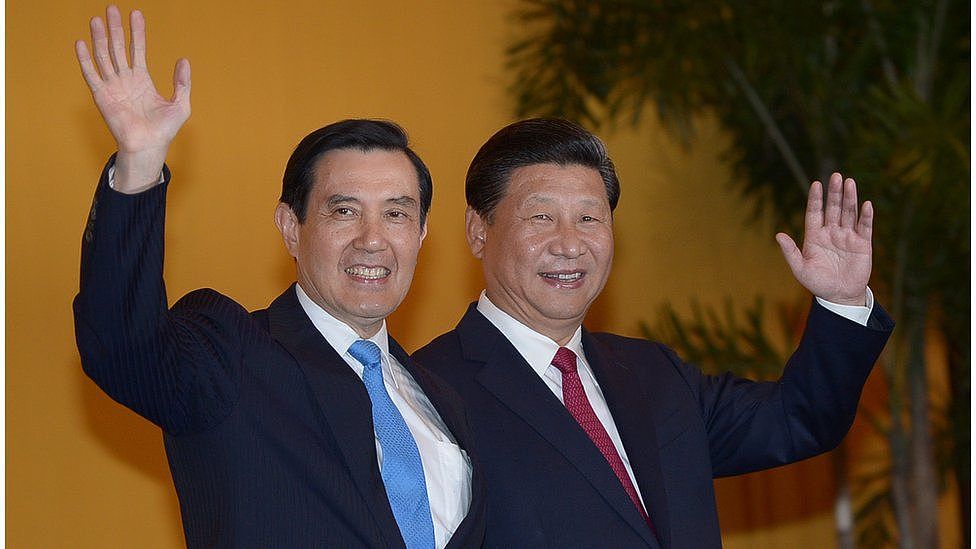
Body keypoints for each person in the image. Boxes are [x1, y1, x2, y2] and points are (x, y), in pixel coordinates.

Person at [72, 6, 485, 548]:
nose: (373, 238)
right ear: (291, 228)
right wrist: (140, 163)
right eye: (343, 211)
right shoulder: (232, 354)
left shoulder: (443, 399)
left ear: (422, 234)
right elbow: (124, 347)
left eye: (397, 213)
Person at [413, 118, 893, 548]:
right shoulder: (429, 393)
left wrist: (841, 303)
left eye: (589, 218)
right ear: (479, 231)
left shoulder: (652, 372)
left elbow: (798, 420)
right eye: (541, 217)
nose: (569, 244)